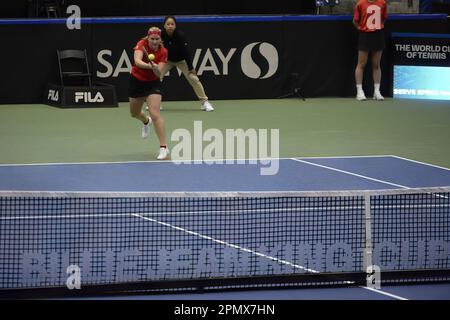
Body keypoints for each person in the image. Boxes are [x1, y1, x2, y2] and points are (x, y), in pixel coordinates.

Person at [129, 26, 169, 160]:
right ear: (148, 38)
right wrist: (149, 66)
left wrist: (156, 69)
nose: (154, 41)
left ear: (160, 39)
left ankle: (163, 148)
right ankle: (146, 122)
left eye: (157, 39)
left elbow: (159, 73)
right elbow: (137, 61)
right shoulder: (142, 44)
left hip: (153, 84)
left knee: (155, 113)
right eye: (152, 39)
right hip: (137, 81)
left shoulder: (163, 51)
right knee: (134, 113)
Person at [160, 15, 214, 111]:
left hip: (181, 61)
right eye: (168, 24)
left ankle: (204, 102)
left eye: (172, 24)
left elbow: (186, 52)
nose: (170, 26)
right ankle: (155, 102)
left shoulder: (180, 36)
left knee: (193, 79)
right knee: (156, 77)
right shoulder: (160, 36)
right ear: (164, 26)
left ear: (175, 26)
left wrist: (190, 67)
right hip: (167, 61)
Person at [353, 0, 388, 101]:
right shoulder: (360, 3)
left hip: (378, 35)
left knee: (376, 64)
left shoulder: (382, 3)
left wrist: (376, 28)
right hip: (365, 36)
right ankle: (359, 91)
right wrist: (362, 29)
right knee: (361, 64)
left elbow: (384, 19)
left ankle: (377, 92)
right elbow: (355, 21)